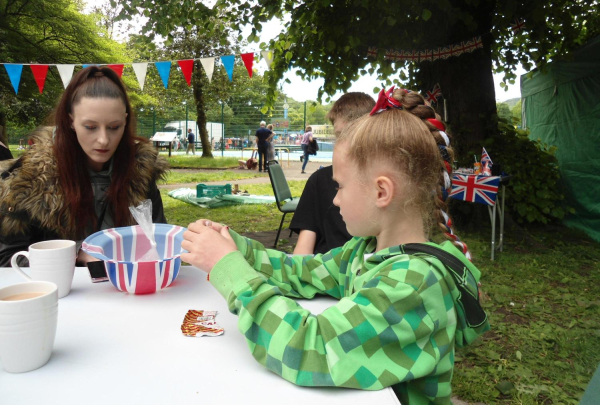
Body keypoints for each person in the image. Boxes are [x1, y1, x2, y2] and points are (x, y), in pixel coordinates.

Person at [180, 85, 489, 404]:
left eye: (340, 186)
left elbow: (307, 347)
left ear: (381, 192)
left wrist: (228, 269)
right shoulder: (367, 249)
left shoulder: (413, 286)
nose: (336, 199)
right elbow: (300, 271)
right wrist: (236, 248)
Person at [0, 66, 169, 267]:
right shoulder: (30, 176)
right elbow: (8, 260)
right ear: (71, 121)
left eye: (114, 127)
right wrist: (76, 255)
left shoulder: (140, 169)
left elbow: (160, 241)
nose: (103, 140)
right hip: (60, 293)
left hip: (126, 291)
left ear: (125, 122)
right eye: (90, 127)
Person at [290, 92, 374, 254]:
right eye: (339, 136)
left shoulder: (380, 182)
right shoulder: (319, 180)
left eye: (350, 134)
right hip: (322, 272)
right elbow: (302, 252)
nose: (336, 200)